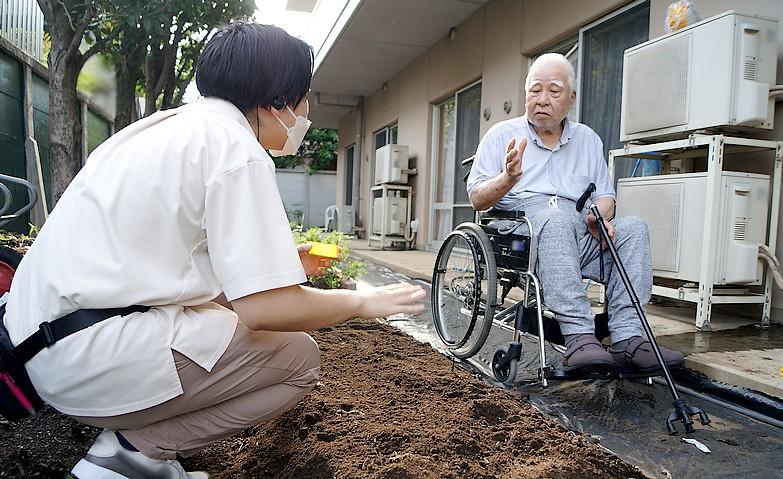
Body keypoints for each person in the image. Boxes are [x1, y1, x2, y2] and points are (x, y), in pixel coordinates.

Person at [2, 23, 424, 479]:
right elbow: (266, 308)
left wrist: (282, 267)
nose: (305, 113)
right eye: (305, 99)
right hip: (86, 361)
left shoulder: (164, 129)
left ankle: (128, 449)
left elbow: (173, 263)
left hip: (41, 348)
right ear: (277, 101)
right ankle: (131, 455)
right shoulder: (237, 150)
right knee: (299, 359)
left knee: (219, 321)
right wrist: (362, 302)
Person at [466, 53, 683, 374]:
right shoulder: (501, 135)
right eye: (534, 90)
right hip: (521, 235)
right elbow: (476, 198)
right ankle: (580, 335)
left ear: (571, 98)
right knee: (555, 218)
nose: (542, 100)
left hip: (580, 229)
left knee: (634, 228)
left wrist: (599, 215)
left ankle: (629, 338)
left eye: (553, 91)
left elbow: (606, 196)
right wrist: (507, 178)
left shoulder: (588, 140)